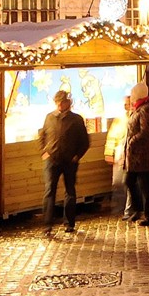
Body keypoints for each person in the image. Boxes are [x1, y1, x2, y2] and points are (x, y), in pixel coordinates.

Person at [37, 89, 89, 232]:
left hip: (69, 161)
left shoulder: (76, 119)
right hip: (51, 160)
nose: (60, 105)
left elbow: (85, 141)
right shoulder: (49, 117)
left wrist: (77, 156)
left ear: (68, 103)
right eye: (57, 102)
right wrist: (44, 151)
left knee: (70, 191)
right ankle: (47, 224)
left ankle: (69, 223)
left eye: (62, 102)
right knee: (49, 191)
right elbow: (42, 135)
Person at [123, 84, 149, 226]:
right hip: (136, 157)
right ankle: (138, 210)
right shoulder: (138, 109)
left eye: (134, 93)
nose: (132, 95)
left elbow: (146, 131)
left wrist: (132, 141)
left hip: (144, 156)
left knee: (146, 186)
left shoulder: (146, 110)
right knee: (130, 181)